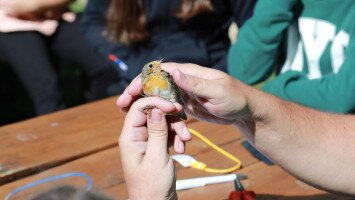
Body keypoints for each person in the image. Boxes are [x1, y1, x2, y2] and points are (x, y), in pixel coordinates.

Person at [117, 63, 355, 199]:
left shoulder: (162, 77)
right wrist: (250, 108)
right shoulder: (151, 82)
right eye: (152, 65)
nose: (157, 64)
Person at [81, 0, 256, 92]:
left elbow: (254, 29)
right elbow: (93, 22)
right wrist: (130, 65)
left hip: (211, 82)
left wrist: (227, 69)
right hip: (143, 84)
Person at [227, 0, 355, 113]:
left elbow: (342, 96)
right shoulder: (286, 4)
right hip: (288, 123)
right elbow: (243, 73)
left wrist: (270, 91)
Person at [0, 0, 118, 115]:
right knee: (47, 87)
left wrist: (35, 4)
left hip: (57, 15)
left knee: (107, 65)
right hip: (9, 24)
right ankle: (54, 129)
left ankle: (97, 117)